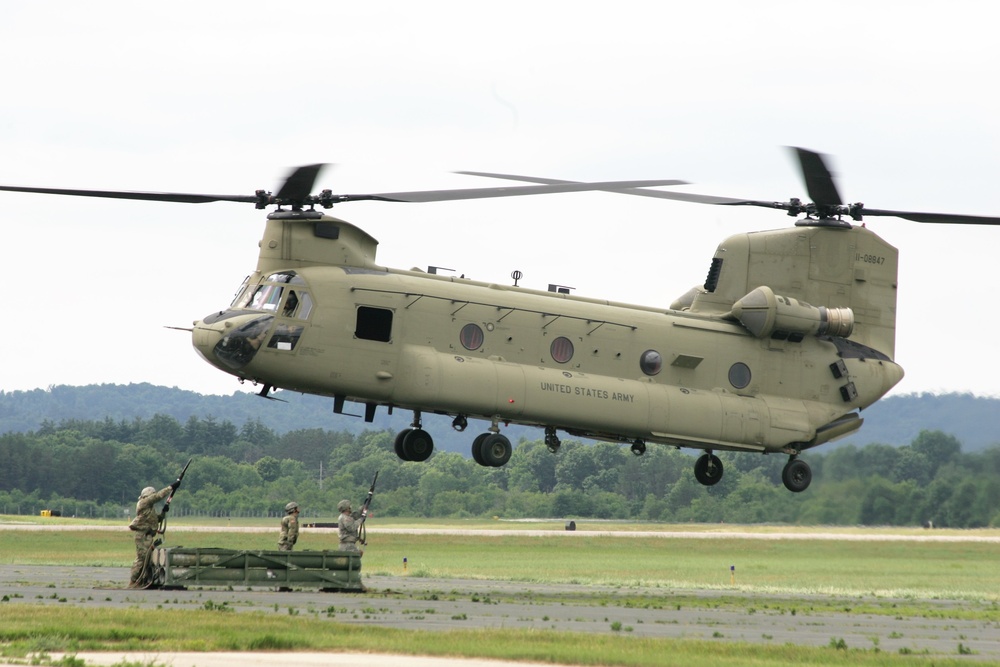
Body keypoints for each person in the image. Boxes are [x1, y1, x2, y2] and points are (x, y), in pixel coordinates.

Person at [127, 482, 175, 587]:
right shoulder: (144, 502)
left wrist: (163, 513)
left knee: (148, 559)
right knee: (142, 558)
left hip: (148, 535)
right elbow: (158, 496)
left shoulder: (149, 508)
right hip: (142, 535)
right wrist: (171, 487)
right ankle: (134, 581)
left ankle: (143, 580)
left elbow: (155, 520)